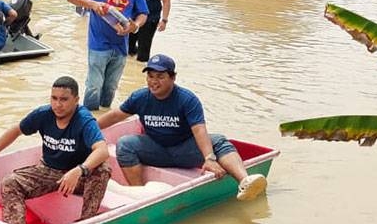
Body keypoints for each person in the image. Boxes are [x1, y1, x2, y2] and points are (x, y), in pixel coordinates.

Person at [97, 54, 267, 200]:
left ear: (173, 78)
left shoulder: (187, 99)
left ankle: (245, 181)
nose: (154, 81)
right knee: (125, 144)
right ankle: (139, 194)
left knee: (219, 141)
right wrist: (88, 129)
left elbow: (199, 130)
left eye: (160, 76)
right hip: (156, 150)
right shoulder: (140, 97)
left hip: (185, 150)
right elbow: (115, 116)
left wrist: (209, 158)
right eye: (150, 76)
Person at [0, 76, 110, 224]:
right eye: (54, 98)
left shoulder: (84, 119)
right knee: (10, 182)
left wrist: (79, 170)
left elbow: (102, 150)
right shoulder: (43, 114)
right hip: (49, 170)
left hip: (78, 178)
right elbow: (16, 130)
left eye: (64, 99)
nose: (58, 104)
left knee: (102, 170)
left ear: (76, 100)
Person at [67, 0, 148, 110]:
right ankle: (89, 117)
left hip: (121, 46)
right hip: (98, 45)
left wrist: (135, 26)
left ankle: (104, 115)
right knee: (94, 85)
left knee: (111, 87)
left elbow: (143, 13)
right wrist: (93, 4)